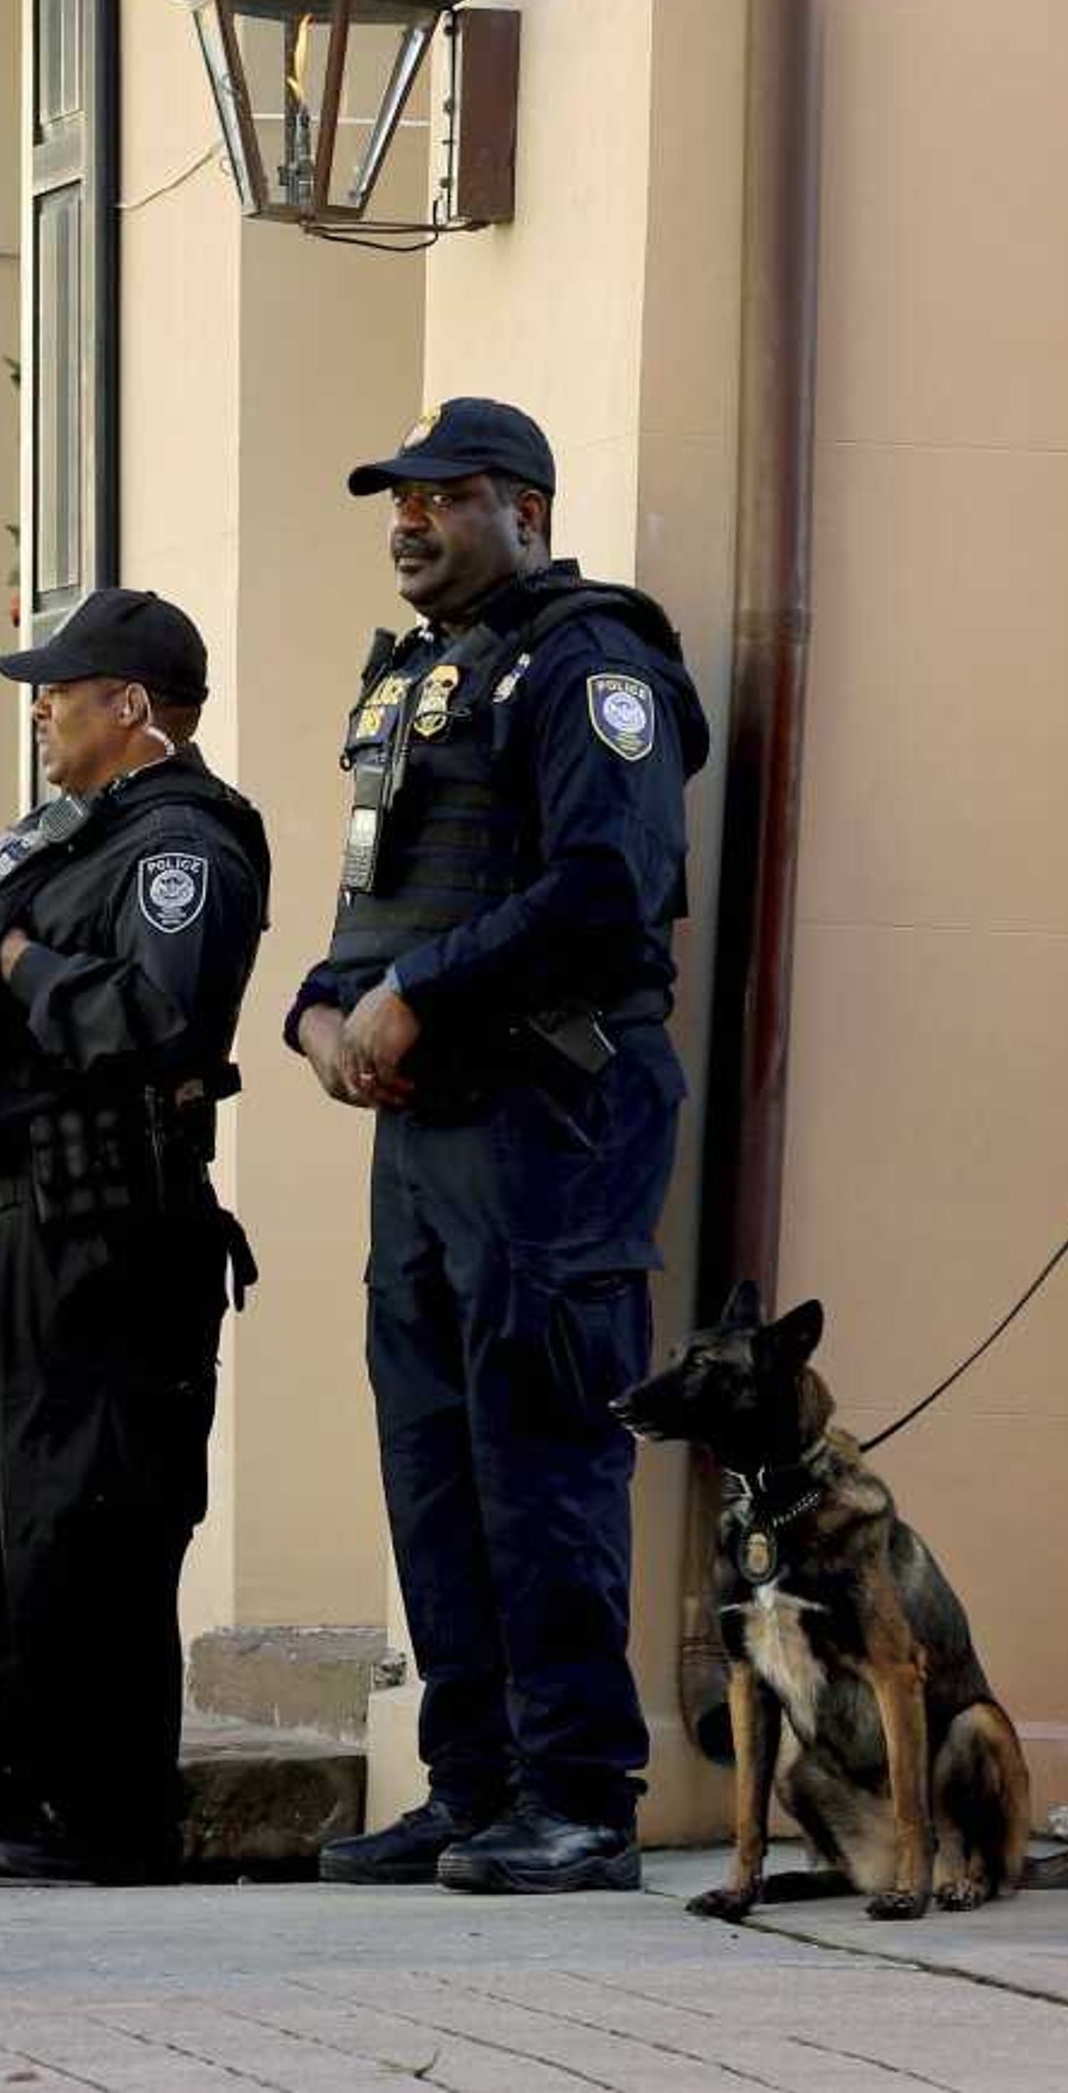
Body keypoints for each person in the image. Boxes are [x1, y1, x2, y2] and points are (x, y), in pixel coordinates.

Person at [290, 398, 708, 1896]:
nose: (409, 520)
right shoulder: (419, 674)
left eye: (444, 497)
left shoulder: (594, 665)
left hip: (554, 1117)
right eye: (396, 498)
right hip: (427, 1130)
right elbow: (378, 904)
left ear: (525, 507)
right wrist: (324, 1012)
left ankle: (579, 1797)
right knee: (434, 1463)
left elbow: (611, 885)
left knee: (541, 1456)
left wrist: (422, 993)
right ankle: (471, 1790)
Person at [0, 588, 270, 1885]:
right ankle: (22, 1795)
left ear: (131, 706)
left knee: (84, 1524)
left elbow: (156, 1018)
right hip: (15, 1222)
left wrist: (18, 956)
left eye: (60, 689)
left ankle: (55, 1805)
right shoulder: (75, 835)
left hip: (106, 1225)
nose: (40, 709)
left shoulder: (185, 843)